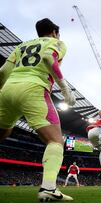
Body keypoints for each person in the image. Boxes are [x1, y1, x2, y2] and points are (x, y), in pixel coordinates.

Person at [0, 18, 75, 201]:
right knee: (55, 140)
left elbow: (2, 71)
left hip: (7, 89)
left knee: (3, 132)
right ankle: (48, 188)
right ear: (55, 32)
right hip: (34, 89)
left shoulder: (21, 46)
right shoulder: (56, 42)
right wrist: (65, 88)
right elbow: (49, 58)